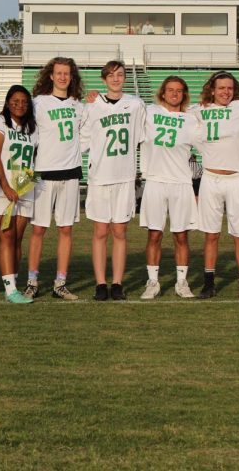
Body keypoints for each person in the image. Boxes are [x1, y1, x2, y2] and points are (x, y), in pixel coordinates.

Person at [80, 60, 146, 301]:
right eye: (111, 75)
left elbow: (142, 137)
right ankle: (100, 283)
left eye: (120, 74)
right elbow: (83, 141)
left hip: (124, 176)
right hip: (99, 176)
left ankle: (117, 283)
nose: (116, 79)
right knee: (99, 231)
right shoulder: (92, 105)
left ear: (125, 77)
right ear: (104, 79)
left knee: (119, 231)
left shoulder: (136, 104)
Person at [191, 72, 239, 300]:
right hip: (210, 178)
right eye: (221, 88)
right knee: (211, 235)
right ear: (212, 89)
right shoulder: (199, 110)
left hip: (236, 178)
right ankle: (208, 284)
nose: (226, 92)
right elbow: (172, 110)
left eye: (230, 88)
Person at [25, 57, 85, 301]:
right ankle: (32, 281)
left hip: (71, 173)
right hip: (44, 174)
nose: (62, 77)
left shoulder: (79, 105)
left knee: (66, 229)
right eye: (58, 73)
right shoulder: (37, 103)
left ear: (71, 77)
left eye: (66, 73)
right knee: (38, 229)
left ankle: (60, 282)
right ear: (50, 75)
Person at [139, 76, 199, 300]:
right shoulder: (149, 112)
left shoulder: (191, 120)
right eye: (170, 90)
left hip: (181, 182)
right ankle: (152, 282)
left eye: (179, 91)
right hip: (155, 180)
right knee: (154, 234)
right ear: (162, 93)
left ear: (184, 94)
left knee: (181, 236)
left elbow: (212, 142)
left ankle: (181, 282)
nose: (174, 94)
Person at [0, 85, 38, 304]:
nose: (20, 105)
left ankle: (14, 283)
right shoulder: (0, 122)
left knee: (17, 239)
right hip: (2, 190)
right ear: (8, 102)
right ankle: (10, 290)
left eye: (24, 102)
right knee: (6, 237)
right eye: (15, 101)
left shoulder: (32, 128)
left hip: (25, 190)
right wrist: (5, 187)